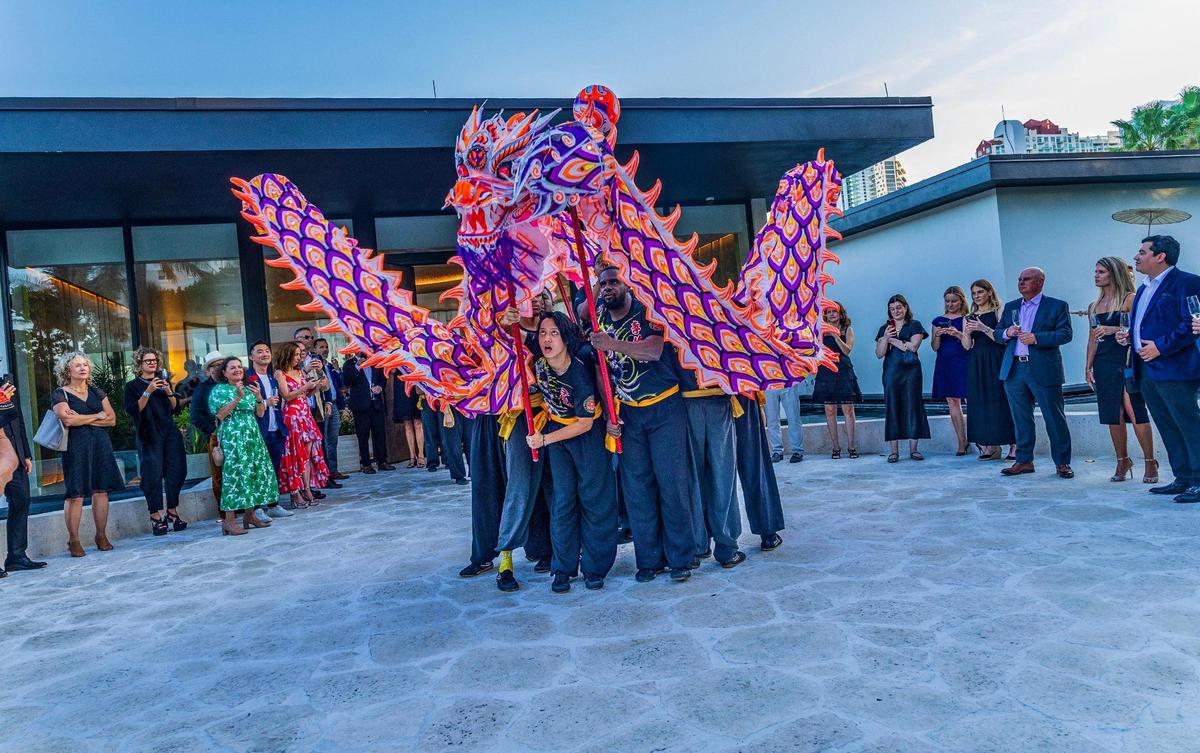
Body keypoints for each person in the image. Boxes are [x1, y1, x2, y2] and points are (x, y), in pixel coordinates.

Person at [590, 266, 696, 583]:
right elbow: (600, 370)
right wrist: (609, 413)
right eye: (603, 283)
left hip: (665, 408)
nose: (608, 287)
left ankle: (681, 558)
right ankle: (648, 560)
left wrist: (612, 344)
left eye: (613, 281)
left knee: (672, 485)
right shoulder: (598, 319)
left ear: (626, 283)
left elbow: (654, 349)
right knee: (637, 491)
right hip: (629, 414)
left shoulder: (647, 307)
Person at [525, 311, 619, 592]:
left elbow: (585, 423)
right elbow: (515, 336)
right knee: (563, 502)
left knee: (594, 499)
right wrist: (511, 319)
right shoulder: (539, 363)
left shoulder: (579, 370)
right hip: (558, 436)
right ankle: (563, 566)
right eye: (543, 333)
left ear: (565, 338)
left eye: (554, 333)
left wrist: (544, 440)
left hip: (585, 437)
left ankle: (595, 567)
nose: (547, 339)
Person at [1120, 236, 1200, 504]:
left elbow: (1193, 322)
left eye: (1142, 252)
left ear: (1160, 256)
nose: (1136, 256)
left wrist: (1161, 348)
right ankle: (1184, 477)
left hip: (1175, 367)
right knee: (1167, 424)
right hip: (1146, 369)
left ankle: (1199, 481)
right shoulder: (1143, 287)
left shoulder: (1188, 282)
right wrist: (1129, 336)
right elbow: (1141, 323)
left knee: (1189, 424)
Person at [490, 290, 556, 589]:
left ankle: (560, 551)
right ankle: (505, 560)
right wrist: (501, 326)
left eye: (546, 294)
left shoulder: (555, 330)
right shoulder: (508, 328)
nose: (540, 300)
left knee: (558, 489)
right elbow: (486, 348)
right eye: (535, 295)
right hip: (521, 418)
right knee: (519, 486)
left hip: (558, 418)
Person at [995, 267, 1074, 478]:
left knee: (1054, 418)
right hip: (1014, 369)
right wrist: (1006, 333)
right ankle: (1023, 461)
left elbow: (1065, 334)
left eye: (1026, 279)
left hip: (1043, 369)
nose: (1021, 283)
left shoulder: (1056, 305)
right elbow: (997, 332)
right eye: (1019, 279)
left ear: (1040, 282)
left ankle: (1062, 463)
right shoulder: (1011, 306)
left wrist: (1037, 338)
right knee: (1021, 418)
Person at [1086, 257, 1157, 483]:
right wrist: (1088, 366)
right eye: (1095, 271)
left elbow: (1140, 328)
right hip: (1103, 362)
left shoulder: (1130, 299)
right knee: (1112, 415)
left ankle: (1149, 462)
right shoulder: (1093, 306)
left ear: (1114, 274)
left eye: (1101, 272)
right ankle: (1122, 460)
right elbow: (1092, 340)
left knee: (1135, 411)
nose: (1096, 275)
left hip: (1126, 360)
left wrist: (1112, 328)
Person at [676, 352, 746, 570]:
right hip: (715, 400)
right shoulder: (721, 317)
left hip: (686, 402)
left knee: (693, 480)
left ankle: (697, 546)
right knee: (722, 478)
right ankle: (726, 548)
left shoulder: (671, 318)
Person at [51, 352, 123, 557]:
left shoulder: (97, 392)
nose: (83, 368)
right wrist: (96, 415)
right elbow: (68, 421)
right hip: (76, 447)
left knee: (101, 491)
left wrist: (83, 418)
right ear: (68, 370)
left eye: (85, 365)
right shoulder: (60, 393)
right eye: (77, 365)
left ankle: (101, 535)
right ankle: (73, 540)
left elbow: (111, 420)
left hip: (100, 444)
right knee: (76, 494)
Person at [123, 347, 188, 536]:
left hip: (169, 432)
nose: (152, 363)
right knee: (152, 474)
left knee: (177, 470)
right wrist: (148, 391)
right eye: (147, 361)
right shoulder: (132, 386)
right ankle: (155, 516)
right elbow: (133, 410)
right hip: (148, 433)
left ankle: (172, 512)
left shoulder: (163, 381)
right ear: (139, 364)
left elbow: (174, 408)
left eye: (154, 361)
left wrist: (168, 391)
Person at [209, 357, 277, 535]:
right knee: (234, 476)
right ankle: (229, 521)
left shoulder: (249, 388)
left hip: (252, 437)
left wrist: (259, 398)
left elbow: (260, 414)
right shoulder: (219, 390)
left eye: (239, 367)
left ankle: (250, 515)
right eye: (232, 368)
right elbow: (221, 414)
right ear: (224, 372)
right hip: (233, 438)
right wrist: (238, 397)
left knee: (253, 473)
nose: (237, 370)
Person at [962, 279, 1016, 461]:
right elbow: (967, 346)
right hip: (977, 360)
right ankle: (990, 445)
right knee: (981, 401)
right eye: (974, 293)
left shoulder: (999, 311)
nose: (977, 296)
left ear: (989, 292)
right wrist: (967, 333)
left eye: (980, 292)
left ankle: (1014, 445)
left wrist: (983, 328)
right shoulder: (968, 317)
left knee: (1001, 399)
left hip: (996, 357)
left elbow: (1002, 338)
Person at [875, 294, 931, 462]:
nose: (896, 311)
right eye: (892, 309)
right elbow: (879, 354)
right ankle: (894, 451)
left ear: (906, 308)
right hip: (891, 372)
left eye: (899, 307)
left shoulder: (914, 325)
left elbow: (913, 348)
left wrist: (893, 339)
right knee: (892, 406)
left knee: (913, 406)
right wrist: (885, 338)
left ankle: (913, 450)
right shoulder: (884, 328)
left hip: (911, 372)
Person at [274, 341, 330, 507]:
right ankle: (295, 492)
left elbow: (306, 393)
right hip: (292, 417)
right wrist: (305, 386)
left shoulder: (299, 371)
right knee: (294, 456)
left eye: (300, 354)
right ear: (287, 354)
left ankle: (306, 488)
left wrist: (314, 387)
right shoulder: (280, 373)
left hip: (305, 415)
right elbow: (287, 396)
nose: (299, 357)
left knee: (306, 457)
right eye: (296, 354)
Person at [0, 381, 46, 573]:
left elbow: (18, 421)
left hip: (14, 454)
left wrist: (25, 453)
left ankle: (16, 556)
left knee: (21, 499)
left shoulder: (5, 388)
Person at [247, 340, 292, 518]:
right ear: (251, 356)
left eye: (267, 351)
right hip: (259, 430)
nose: (264, 354)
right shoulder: (248, 379)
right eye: (259, 351)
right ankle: (258, 508)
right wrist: (265, 402)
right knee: (258, 469)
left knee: (274, 469)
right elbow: (247, 405)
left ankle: (273, 504)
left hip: (276, 429)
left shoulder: (273, 377)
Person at [811, 301, 862, 458]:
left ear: (841, 314)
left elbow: (847, 351)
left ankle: (852, 447)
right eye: (829, 312)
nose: (831, 314)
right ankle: (836, 447)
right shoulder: (820, 330)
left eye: (834, 311)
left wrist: (835, 335)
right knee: (830, 409)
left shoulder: (847, 329)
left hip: (843, 370)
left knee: (848, 408)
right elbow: (815, 349)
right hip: (826, 370)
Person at [931, 286, 971, 456]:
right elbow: (934, 347)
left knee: (970, 399)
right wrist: (938, 334)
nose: (950, 304)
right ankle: (962, 441)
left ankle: (981, 439)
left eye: (954, 301)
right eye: (947, 301)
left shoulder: (967, 319)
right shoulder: (937, 320)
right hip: (944, 363)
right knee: (952, 402)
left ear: (961, 300)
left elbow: (968, 345)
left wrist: (957, 334)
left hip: (963, 361)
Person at [343, 352, 393, 473]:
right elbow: (347, 381)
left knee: (380, 433)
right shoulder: (349, 364)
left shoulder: (375, 362)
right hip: (360, 405)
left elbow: (382, 379)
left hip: (375, 403)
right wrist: (357, 367)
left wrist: (380, 387)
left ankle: (382, 461)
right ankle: (365, 464)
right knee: (363, 435)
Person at [189, 351, 225, 507]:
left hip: (236, 434)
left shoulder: (231, 384)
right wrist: (212, 431)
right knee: (218, 475)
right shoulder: (202, 388)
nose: (218, 368)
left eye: (221, 364)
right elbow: (196, 415)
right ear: (208, 370)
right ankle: (224, 510)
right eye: (214, 365)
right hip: (216, 437)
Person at [304, 351, 342, 490]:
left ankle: (327, 476)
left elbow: (326, 385)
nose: (308, 340)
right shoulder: (295, 367)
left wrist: (320, 372)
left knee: (325, 444)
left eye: (309, 337)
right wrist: (305, 370)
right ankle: (310, 485)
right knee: (312, 448)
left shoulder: (316, 360)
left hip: (320, 408)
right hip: (302, 412)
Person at [313, 339, 349, 483]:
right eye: (321, 347)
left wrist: (337, 369)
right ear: (315, 350)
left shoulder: (329, 366)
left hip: (333, 404)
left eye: (326, 347)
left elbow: (341, 385)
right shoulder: (315, 366)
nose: (325, 349)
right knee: (323, 439)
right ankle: (325, 473)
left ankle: (333, 470)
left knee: (333, 439)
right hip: (322, 406)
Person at [764, 383, 804, 463]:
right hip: (769, 382)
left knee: (794, 418)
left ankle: (797, 451)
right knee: (772, 420)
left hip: (788, 381)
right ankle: (777, 451)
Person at [392, 374, 424, 467]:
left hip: (415, 381)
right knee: (407, 422)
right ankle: (412, 456)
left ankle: (421, 455)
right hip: (401, 384)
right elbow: (392, 370)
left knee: (418, 422)